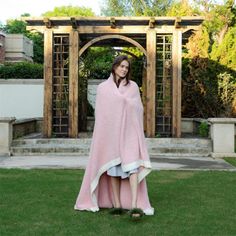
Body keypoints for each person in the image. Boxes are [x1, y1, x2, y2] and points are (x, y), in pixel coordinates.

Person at [74, 55, 154, 220]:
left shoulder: (133, 87)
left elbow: (138, 109)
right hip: (111, 135)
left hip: (129, 134)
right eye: (121, 66)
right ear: (115, 66)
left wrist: (127, 103)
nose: (124, 69)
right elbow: (102, 115)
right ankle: (117, 205)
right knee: (113, 169)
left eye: (126, 67)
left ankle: (134, 205)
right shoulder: (103, 88)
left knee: (132, 168)